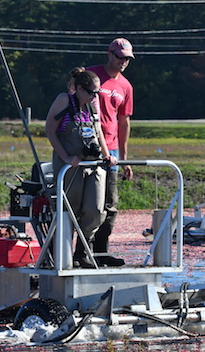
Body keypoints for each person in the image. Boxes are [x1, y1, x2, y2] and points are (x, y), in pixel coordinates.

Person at [45, 67, 117, 268]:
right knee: (70, 209)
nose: (94, 96)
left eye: (97, 92)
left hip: (92, 165)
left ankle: (82, 251)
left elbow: (99, 131)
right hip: (70, 166)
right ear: (78, 88)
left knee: (95, 210)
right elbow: (50, 130)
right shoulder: (64, 100)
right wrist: (66, 157)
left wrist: (106, 154)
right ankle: (61, 254)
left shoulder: (93, 104)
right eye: (91, 92)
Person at [85, 38, 135, 267]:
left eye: (127, 58)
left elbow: (124, 122)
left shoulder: (126, 87)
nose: (123, 61)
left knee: (110, 202)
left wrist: (124, 157)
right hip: (88, 145)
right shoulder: (90, 75)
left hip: (112, 148)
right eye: (119, 56)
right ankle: (81, 250)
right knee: (87, 203)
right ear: (109, 54)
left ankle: (101, 251)